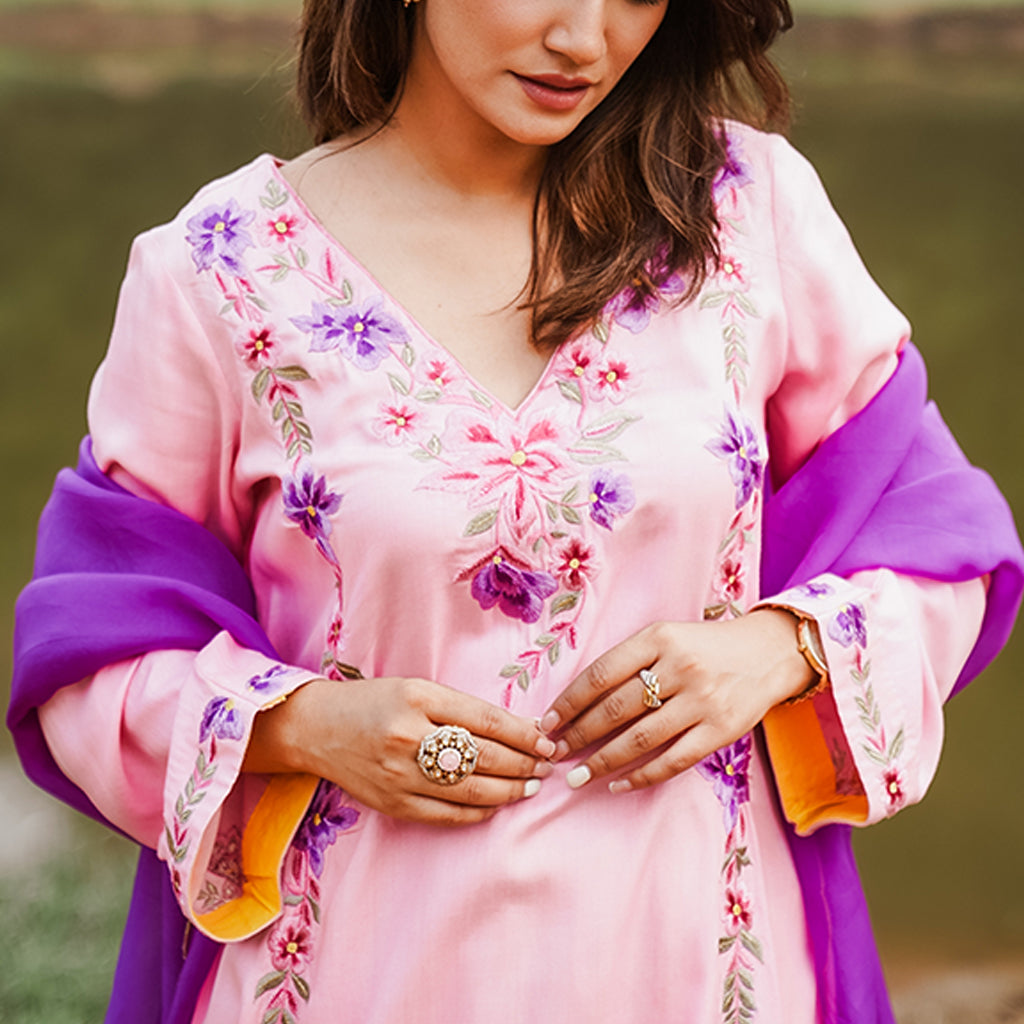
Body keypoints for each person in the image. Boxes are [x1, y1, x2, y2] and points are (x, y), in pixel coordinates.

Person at [8, 1, 1023, 1022]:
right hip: (353, 970)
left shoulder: (744, 213)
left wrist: (773, 649)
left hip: (700, 961)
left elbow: (940, 544)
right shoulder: (219, 272)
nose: (584, 38)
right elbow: (91, 658)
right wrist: (303, 727)